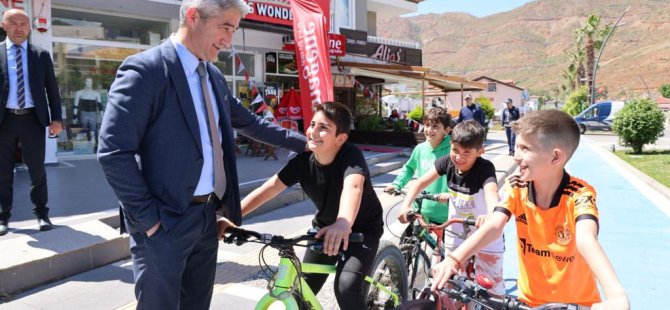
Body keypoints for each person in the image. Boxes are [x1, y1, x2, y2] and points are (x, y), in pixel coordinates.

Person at [97, 1, 306, 309]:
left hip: (206, 219)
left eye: (233, 30)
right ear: (194, 17)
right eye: (224, 27)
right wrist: (149, 221)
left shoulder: (214, 77)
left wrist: (309, 144)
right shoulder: (146, 70)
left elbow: (251, 123)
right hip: (164, 223)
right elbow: (114, 151)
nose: (228, 40)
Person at [431, 110, 629, 309]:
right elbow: (494, 224)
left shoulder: (579, 194)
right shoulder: (517, 185)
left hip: (577, 305)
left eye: (525, 148)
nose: (516, 157)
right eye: (516, 147)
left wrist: (617, 296)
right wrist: (453, 259)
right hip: (528, 303)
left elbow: (586, 240)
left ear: (555, 157)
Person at [236, 102, 384, 309]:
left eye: (323, 128)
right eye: (312, 124)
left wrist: (343, 223)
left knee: (346, 287)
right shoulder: (303, 161)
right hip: (324, 229)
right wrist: (233, 216)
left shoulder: (350, 155)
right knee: (301, 293)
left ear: (340, 138)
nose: (314, 131)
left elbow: (354, 187)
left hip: (361, 231)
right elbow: (268, 189)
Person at [398, 120, 504, 295]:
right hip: (456, 233)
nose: (459, 158)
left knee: (493, 292)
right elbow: (420, 183)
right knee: (449, 287)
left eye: (466, 153)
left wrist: (491, 214)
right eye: (455, 150)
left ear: (480, 151)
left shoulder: (485, 168)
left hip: (485, 234)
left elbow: (491, 192)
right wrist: (405, 205)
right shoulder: (447, 162)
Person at [0, 9, 63, 236]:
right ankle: (3, 218)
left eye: (24, 24)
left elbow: (52, 91)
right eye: (14, 23)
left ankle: (42, 215)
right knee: (3, 172)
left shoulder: (40, 55)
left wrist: (56, 119)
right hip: (4, 120)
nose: (19, 28)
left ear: (29, 27)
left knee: (37, 171)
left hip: (33, 119)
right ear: (3, 25)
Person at [387, 107, 452, 226]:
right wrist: (397, 184)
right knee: (408, 242)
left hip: (445, 213)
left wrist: (451, 195)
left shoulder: (453, 150)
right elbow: (409, 168)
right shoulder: (420, 149)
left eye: (435, 126)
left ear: (447, 130)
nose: (429, 130)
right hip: (421, 210)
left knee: (445, 245)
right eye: (427, 125)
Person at [73, 77, 103, 143]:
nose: (89, 83)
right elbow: (75, 105)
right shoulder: (79, 93)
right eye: (87, 81)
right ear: (85, 82)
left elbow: (100, 107)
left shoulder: (96, 94)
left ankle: (93, 147)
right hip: (84, 113)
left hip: (93, 114)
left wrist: (103, 117)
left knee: (93, 133)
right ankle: (83, 147)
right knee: (83, 132)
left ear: (92, 83)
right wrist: (74, 116)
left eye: (90, 81)